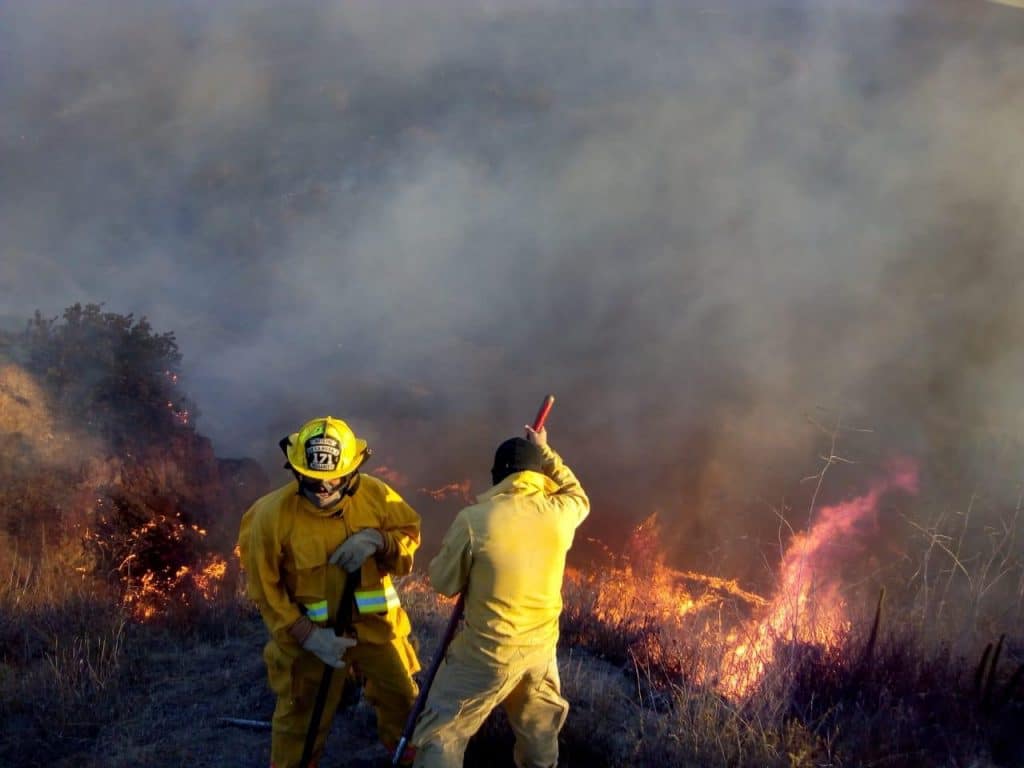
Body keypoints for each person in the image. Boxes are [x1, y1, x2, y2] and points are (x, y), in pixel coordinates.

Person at [238, 416, 422, 768]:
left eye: (333, 478)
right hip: (312, 641)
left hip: (377, 631)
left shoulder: (377, 495)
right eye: (313, 479)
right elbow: (265, 590)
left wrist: (380, 541)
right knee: (301, 721)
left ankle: (409, 759)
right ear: (295, 471)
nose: (323, 488)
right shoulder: (271, 517)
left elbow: (409, 537)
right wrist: (308, 635)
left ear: (354, 471)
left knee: (404, 703)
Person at [412, 424, 590, 768]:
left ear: (498, 476)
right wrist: (547, 452)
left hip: (486, 654)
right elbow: (577, 493)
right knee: (539, 733)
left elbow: (443, 583)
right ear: (538, 475)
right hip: (540, 651)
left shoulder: (475, 521)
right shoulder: (561, 515)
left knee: (442, 734)